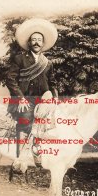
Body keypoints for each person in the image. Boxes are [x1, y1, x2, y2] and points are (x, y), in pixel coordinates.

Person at [5, 18, 58, 156]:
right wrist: (20, 98)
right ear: (29, 42)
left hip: (43, 101)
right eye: (33, 39)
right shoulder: (19, 59)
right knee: (26, 119)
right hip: (25, 99)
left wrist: (54, 97)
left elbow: (53, 83)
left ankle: (38, 151)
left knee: (53, 123)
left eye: (39, 40)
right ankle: (20, 156)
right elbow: (10, 80)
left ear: (43, 43)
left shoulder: (48, 63)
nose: (36, 42)